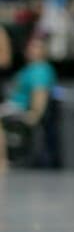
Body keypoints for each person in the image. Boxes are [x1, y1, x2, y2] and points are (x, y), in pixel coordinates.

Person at [0, 36, 57, 170]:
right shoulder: (29, 68)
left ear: (43, 50)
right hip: (11, 107)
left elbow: (40, 95)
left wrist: (35, 114)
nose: (31, 50)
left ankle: (2, 160)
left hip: (19, 109)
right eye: (30, 46)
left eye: (36, 47)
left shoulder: (40, 70)